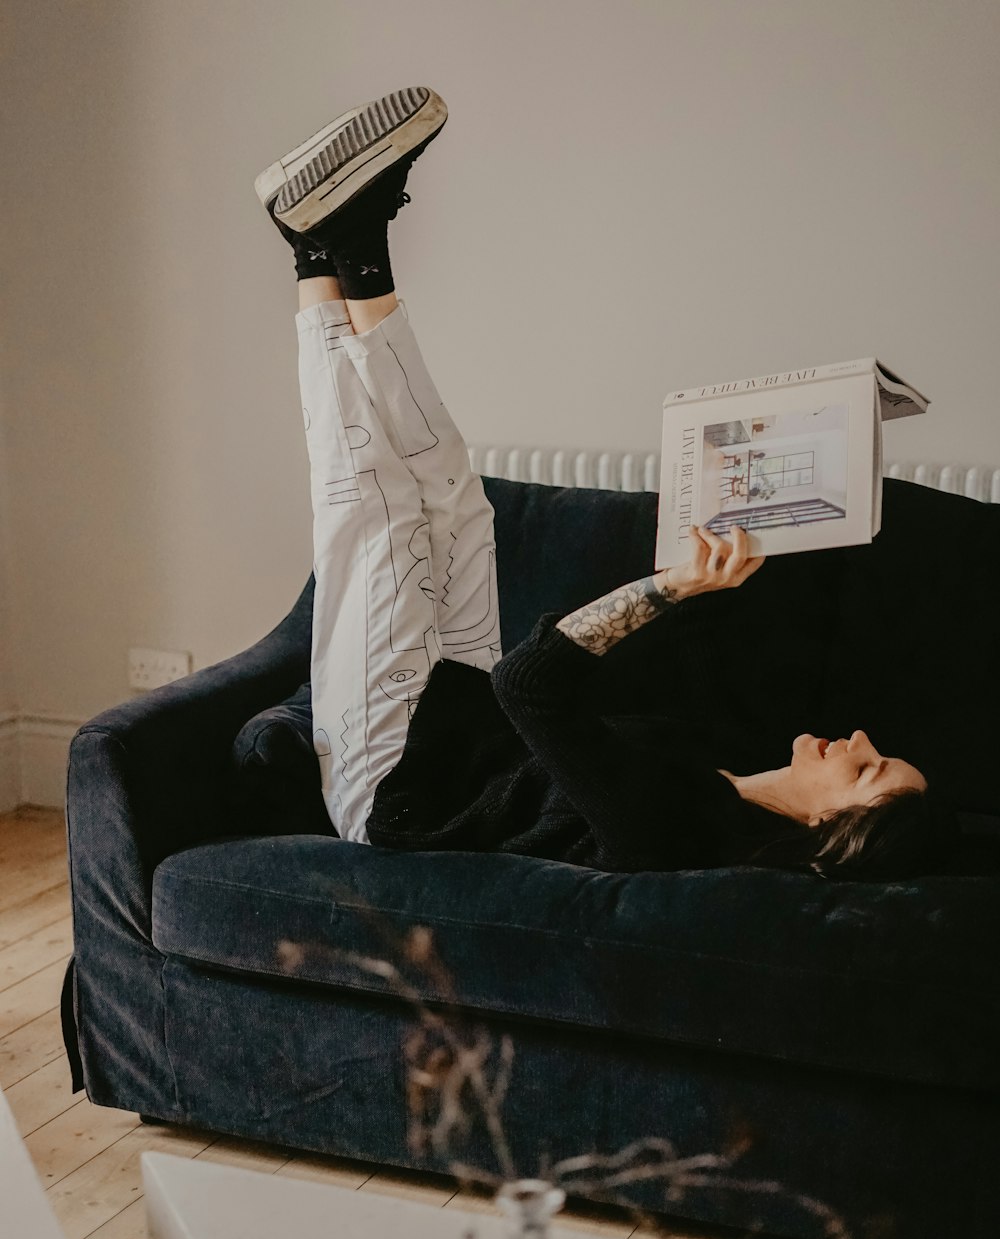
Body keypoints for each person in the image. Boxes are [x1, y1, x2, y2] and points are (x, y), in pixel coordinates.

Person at [256, 85, 954, 883]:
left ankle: (312, 257)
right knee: (453, 493)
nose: (863, 741)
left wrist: (673, 588)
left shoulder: (674, 835)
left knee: (378, 517)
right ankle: (349, 239)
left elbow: (531, 685)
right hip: (460, 716)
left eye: (867, 771)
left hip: (395, 786)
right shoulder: (721, 777)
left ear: (832, 828)